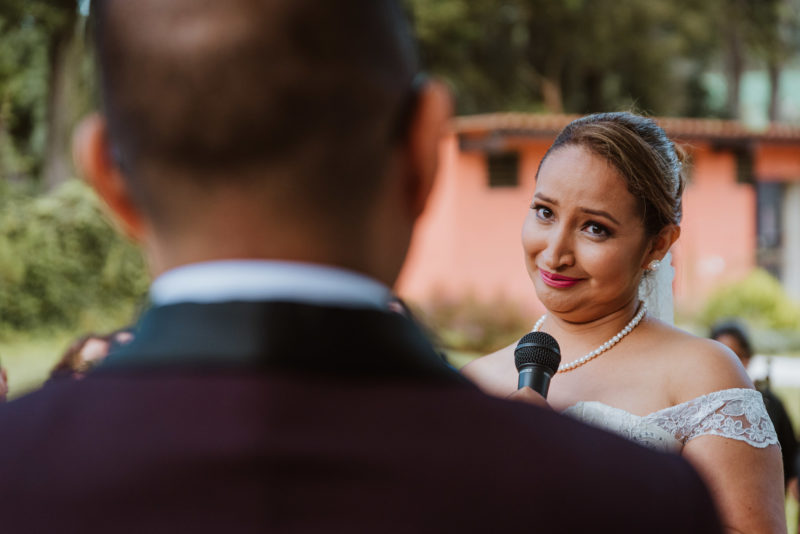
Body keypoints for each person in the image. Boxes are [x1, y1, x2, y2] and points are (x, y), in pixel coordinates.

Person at [0, 3, 722, 532]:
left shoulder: (19, 474)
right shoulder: (632, 500)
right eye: (543, 211)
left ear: (107, 179)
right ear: (422, 151)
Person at [463, 112, 785, 533]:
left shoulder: (702, 377)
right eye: (544, 212)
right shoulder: (473, 382)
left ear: (658, 244)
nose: (555, 251)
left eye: (595, 228)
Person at [711, 320, 798, 490]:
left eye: (738, 356)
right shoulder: (701, 404)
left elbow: (790, 449)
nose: (732, 365)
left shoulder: (770, 402)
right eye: (724, 358)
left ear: (748, 357)